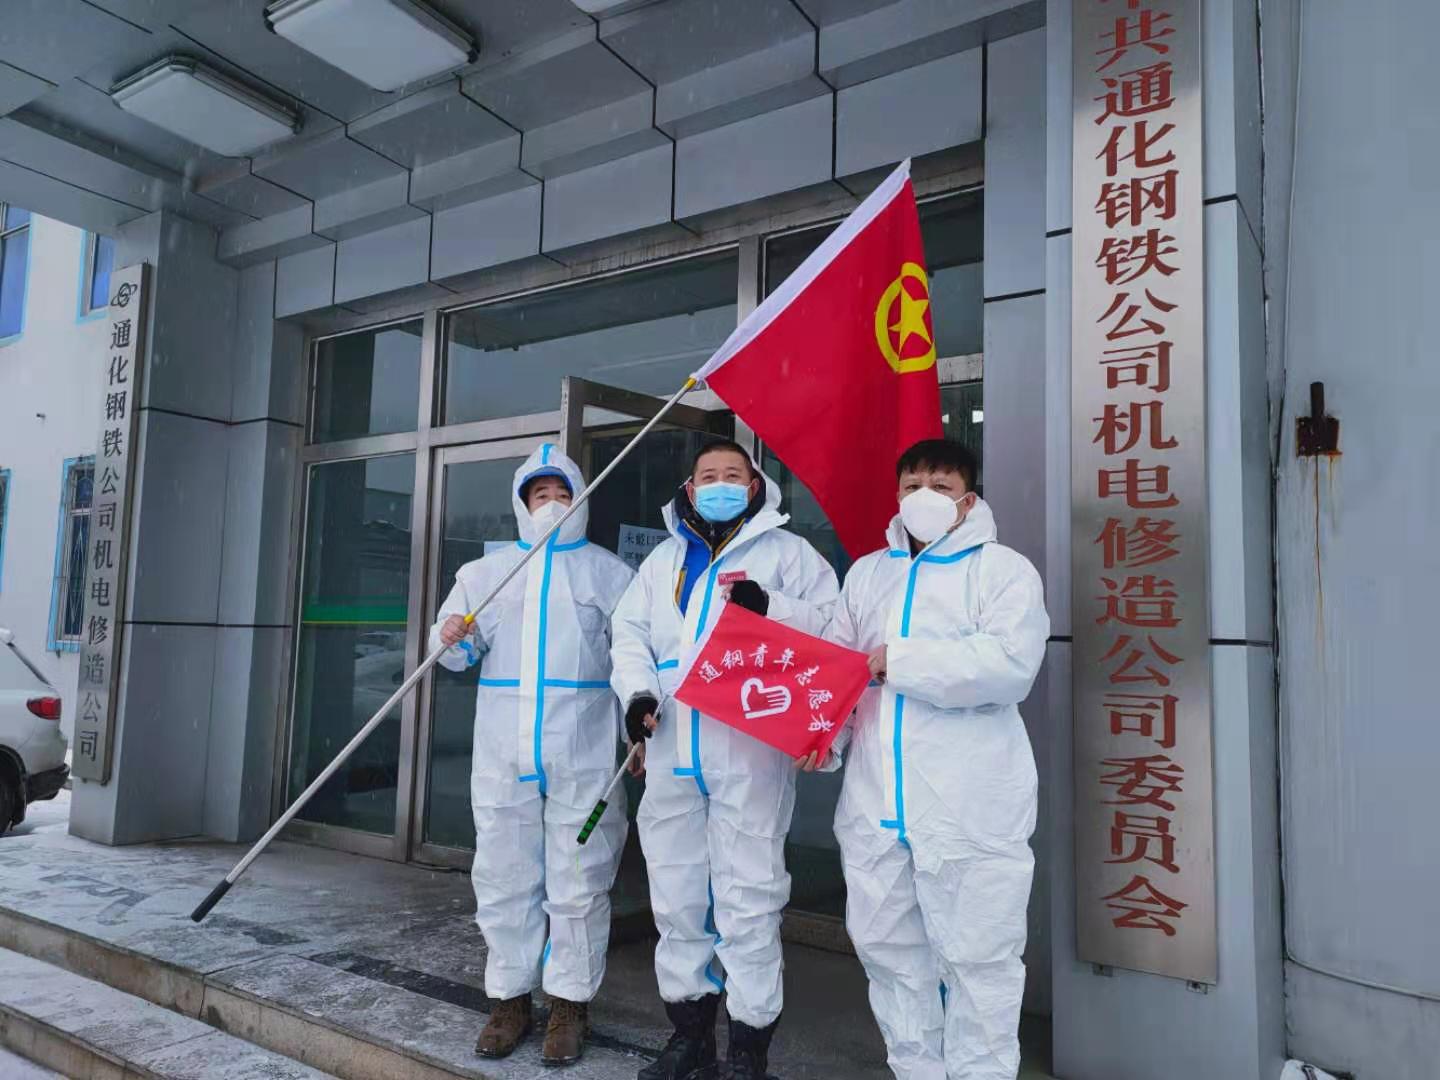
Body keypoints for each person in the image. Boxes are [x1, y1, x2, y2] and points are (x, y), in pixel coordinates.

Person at [610, 439, 840, 1080]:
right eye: (708, 475)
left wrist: (774, 608)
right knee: (677, 897)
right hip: (672, 744)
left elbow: (833, 625)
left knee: (749, 899)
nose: (719, 484)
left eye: (732, 474)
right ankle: (689, 1036)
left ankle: (747, 1049)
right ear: (689, 489)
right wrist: (637, 697)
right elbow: (629, 635)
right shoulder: (663, 561)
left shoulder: (788, 554)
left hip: (749, 747)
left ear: (755, 485)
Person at [824, 439, 1049, 1080]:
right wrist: (825, 739)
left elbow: (1010, 666)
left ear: (968, 500)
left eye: (941, 486)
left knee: (978, 962)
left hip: (967, 805)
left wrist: (902, 661)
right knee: (889, 954)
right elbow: (840, 670)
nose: (924, 496)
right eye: (912, 484)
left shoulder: (1001, 571)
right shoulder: (869, 574)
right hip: (875, 803)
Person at [430, 444, 634, 1067]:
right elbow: (454, 653)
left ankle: (570, 1003)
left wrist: (640, 723)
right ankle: (509, 998)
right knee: (503, 875)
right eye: (539, 494)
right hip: (504, 751)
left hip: (584, 750)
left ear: (580, 501)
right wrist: (452, 637)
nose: (551, 504)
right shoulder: (487, 573)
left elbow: (634, 656)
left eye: (561, 493)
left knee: (580, 878)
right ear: (522, 503)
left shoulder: (608, 574)